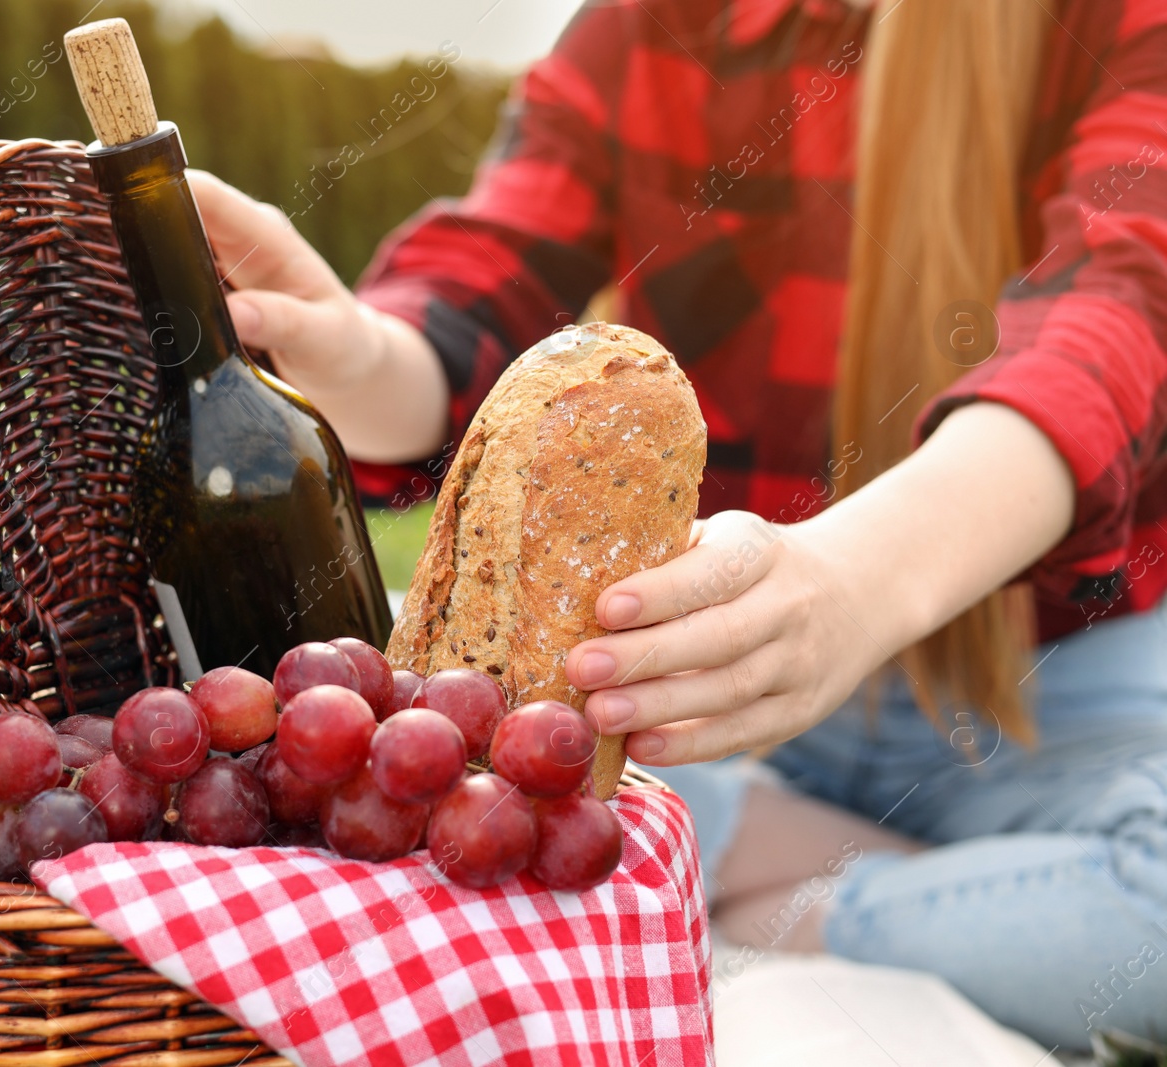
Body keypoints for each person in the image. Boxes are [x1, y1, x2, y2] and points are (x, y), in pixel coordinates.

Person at [185, 0, 1167, 1049]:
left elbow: (1119, 314)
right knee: (412, 748)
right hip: (704, 687)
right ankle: (838, 882)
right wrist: (352, 353)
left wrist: (854, 582)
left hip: (1052, 680)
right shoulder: (651, 24)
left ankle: (753, 907)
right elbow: (479, 303)